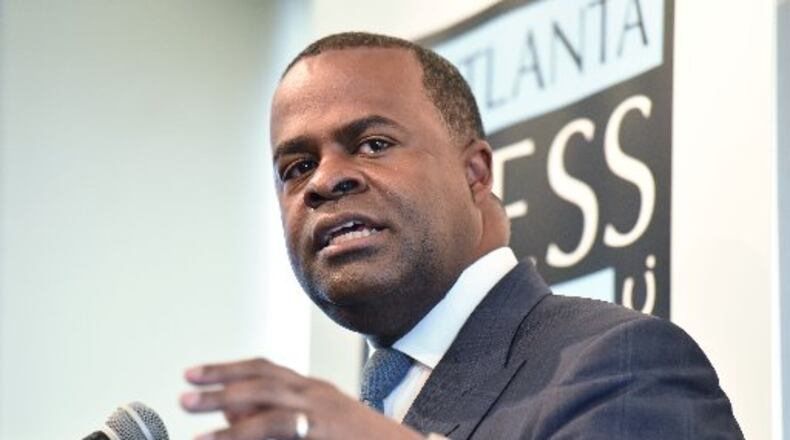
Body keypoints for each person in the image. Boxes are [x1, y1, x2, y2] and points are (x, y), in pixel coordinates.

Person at [180, 32, 743, 440]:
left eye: (373, 143)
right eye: (297, 166)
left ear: (475, 173)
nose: (324, 180)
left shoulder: (623, 362)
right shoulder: (373, 408)